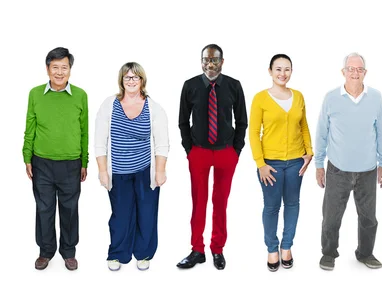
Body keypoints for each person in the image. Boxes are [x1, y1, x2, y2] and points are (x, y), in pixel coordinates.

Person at [177, 44, 248, 270]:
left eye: (214, 60)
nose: (210, 64)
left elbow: (242, 121)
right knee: (198, 202)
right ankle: (197, 249)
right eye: (206, 60)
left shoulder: (234, 86)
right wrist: (190, 150)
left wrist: (236, 151)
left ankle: (217, 249)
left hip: (226, 152)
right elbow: (182, 121)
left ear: (222, 62)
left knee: (220, 202)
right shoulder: (190, 86)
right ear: (201, 62)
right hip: (199, 152)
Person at [315, 52, 382, 271]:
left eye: (359, 69)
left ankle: (365, 253)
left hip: (368, 169)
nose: (355, 73)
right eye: (351, 69)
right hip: (338, 169)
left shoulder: (375, 97)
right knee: (331, 217)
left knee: (368, 218)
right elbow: (322, 132)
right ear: (343, 72)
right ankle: (328, 253)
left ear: (365, 73)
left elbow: (381, 131)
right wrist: (319, 164)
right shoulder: (331, 97)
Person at [95, 62, 169, 271]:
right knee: (121, 214)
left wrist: (160, 170)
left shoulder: (153, 107)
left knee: (147, 213)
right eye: (127, 77)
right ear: (121, 81)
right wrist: (102, 170)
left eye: (135, 77)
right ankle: (117, 254)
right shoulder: (109, 105)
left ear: (142, 80)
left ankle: (144, 253)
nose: (131, 81)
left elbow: (162, 142)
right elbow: (100, 141)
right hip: (118, 172)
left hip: (146, 171)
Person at [22, 47, 88, 271]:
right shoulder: (35, 94)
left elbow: (84, 130)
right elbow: (29, 128)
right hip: (41, 163)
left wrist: (84, 162)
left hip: (71, 163)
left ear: (70, 70)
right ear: (47, 69)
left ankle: (69, 252)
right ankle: (45, 251)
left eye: (64, 67)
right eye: (55, 67)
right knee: (44, 208)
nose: (60, 72)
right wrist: (27, 157)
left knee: (69, 210)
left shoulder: (80, 95)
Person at [249, 54, 313, 272]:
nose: (282, 74)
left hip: (296, 161)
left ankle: (287, 246)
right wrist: (260, 163)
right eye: (278, 69)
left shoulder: (299, 96)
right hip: (270, 164)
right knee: (272, 206)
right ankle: (272, 248)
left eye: (287, 69)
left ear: (291, 72)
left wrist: (309, 153)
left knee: (293, 204)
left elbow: (303, 126)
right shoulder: (260, 98)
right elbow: (254, 132)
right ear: (270, 71)